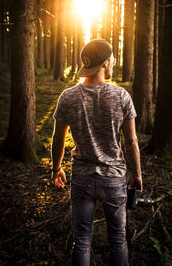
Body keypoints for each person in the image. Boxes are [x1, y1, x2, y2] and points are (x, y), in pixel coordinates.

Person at [51, 38, 142, 266]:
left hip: (81, 178)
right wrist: (137, 174)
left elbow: (58, 138)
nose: (112, 63)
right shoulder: (121, 97)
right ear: (104, 63)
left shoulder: (68, 97)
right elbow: (130, 141)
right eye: (111, 60)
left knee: (81, 241)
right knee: (118, 240)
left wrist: (56, 168)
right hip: (114, 178)